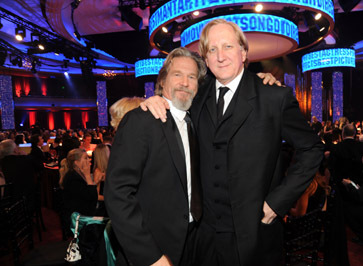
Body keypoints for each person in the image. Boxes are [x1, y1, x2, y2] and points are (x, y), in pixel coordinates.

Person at [141, 19, 323, 266]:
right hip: (203, 238)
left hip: (254, 237)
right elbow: (173, 100)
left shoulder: (273, 97)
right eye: (212, 49)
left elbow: (311, 148)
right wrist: (154, 101)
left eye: (228, 46)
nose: (220, 56)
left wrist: (278, 202)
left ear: (243, 52)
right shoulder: (196, 94)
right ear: (205, 59)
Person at [105, 47, 207, 266]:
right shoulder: (141, 120)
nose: (185, 82)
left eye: (192, 77)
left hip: (193, 242)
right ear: (162, 82)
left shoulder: (196, 122)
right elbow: (118, 193)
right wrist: (149, 256)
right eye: (177, 74)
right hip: (154, 247)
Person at [60, 148, 98, 220]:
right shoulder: (73, 178)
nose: (88, 160)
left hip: (82, 214)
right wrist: (88, 175)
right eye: (85, 158)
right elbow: (92, 198)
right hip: (78, 220)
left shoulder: (78, 174)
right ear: (76, 163)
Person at [92, 144, 110, 216]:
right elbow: (96, 195)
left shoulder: (109, 168)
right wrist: (110, 199)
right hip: (104, 207)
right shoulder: (98, 171)